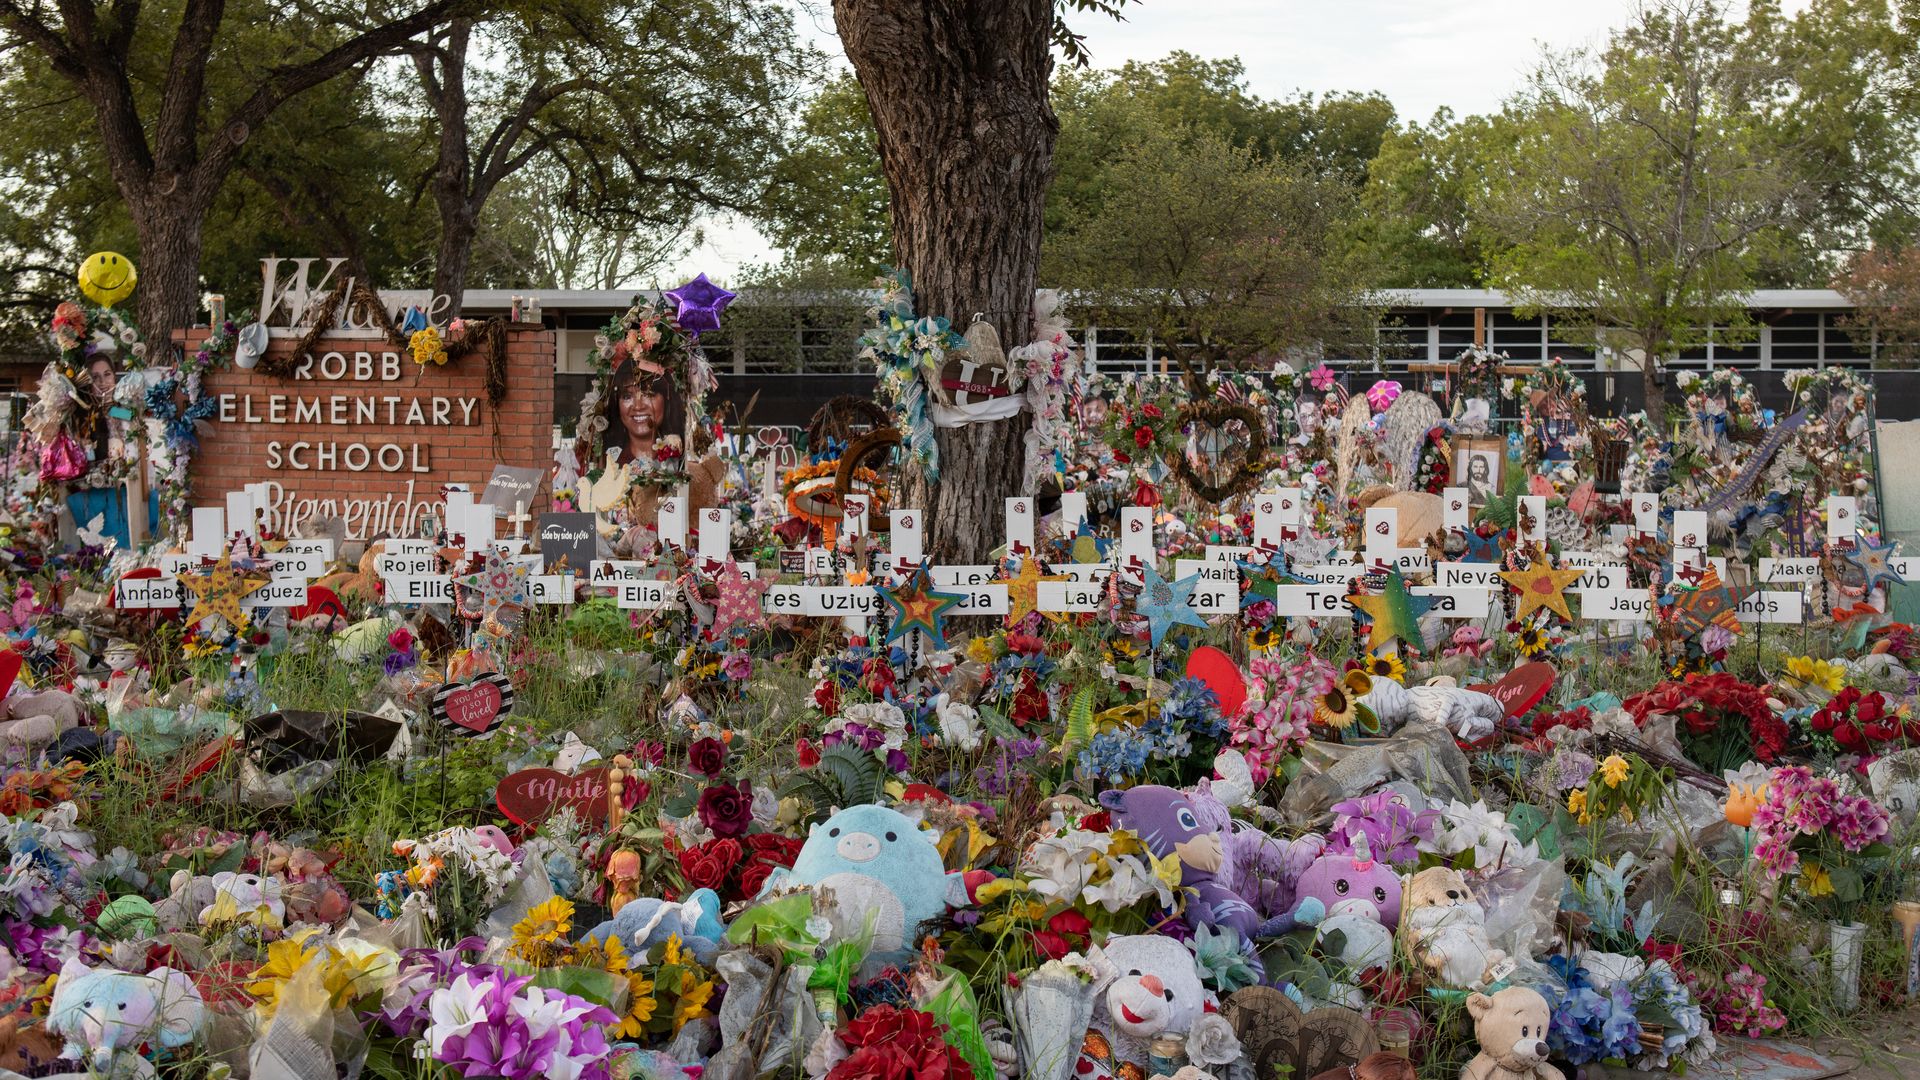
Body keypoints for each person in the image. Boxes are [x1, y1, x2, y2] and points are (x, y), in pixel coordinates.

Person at [601, 360, 685, 468]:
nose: (638, 406)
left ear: (667, 400)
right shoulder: (610, 462)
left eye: (648, 394)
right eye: (627, 396)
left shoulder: (684, 459)